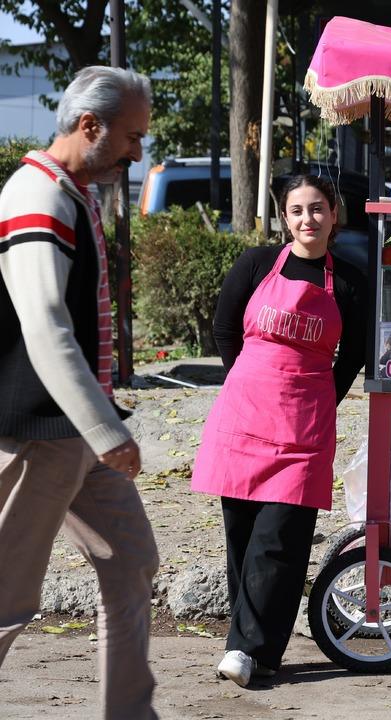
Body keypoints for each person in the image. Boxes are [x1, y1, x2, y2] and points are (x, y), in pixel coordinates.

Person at [0, 66, 159, 719]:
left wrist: (97, 430)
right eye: (131, 136)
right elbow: (44, 326)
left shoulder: (72, 192)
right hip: (39, 433)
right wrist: (107, 430)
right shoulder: (38, 195)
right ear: (88, 125)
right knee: (5, 601)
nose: (137, 152)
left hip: (73, 431)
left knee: (132, 561)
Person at [191, 174, 367, 687]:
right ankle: (259, 650)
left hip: (304, 422)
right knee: (242, 537)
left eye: (317, 209)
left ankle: (245, 649)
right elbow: (225, 329)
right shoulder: (254, 265)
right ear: (284, 217)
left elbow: (352, 355)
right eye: (296, 210)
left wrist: (318, 397)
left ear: (334, 214)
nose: (307, 219)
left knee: (281, 538)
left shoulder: (351, 281)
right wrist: (249, 379)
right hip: (243, 415)